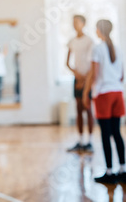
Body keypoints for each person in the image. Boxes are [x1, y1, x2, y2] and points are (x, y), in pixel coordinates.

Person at [83, 19, 125, 184]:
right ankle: (122, 169)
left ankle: (109, 172)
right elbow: (122, 75)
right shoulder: (119, 49)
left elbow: (94, 73)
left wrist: (86, 92)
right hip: (117, 92)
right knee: (117, 133)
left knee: (106, 135)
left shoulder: (98, 48)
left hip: (103, 94)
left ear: (100, 30)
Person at [66, 15, 94, 153]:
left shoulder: (89, 41)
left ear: (83, 23)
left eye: (76, 22)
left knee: (88, 109)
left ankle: (90, 141)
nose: (74, 24)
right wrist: (76, 74)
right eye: (73, 22)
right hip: (77, 79)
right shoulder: (72, 41)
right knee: (78, 110)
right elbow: (67, 63)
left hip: (87, 79)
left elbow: (92, 62)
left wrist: (85, 79)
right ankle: (80, 140)